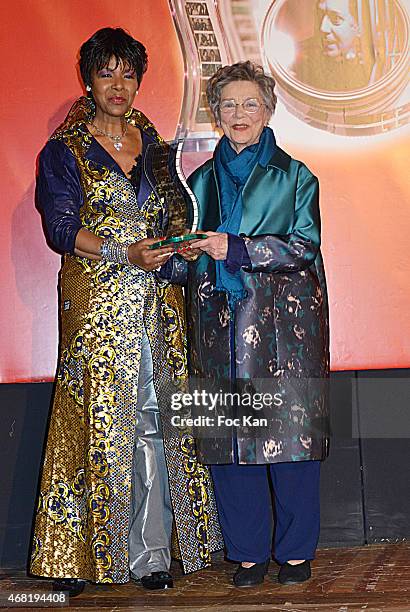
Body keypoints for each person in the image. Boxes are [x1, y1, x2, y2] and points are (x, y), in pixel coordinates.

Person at [30, 27, 222, 596]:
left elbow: (172, 218)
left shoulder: (158, 148)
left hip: (157, 301)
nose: (119, 84)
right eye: (106, 72)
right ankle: (78, 559)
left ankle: (152, 553)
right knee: (91, 421)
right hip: (96, 304)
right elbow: (61, 230)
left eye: (128, 73)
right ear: (87, 79)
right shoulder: (64, 150)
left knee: (156, 420)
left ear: (140, 80)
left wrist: (178, 249)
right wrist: (123, 253)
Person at [170, 60, 330, 587]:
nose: (239, 114)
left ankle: (295, 551)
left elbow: (305, 248)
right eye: (229, 105)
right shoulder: (197, 182)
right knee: (228, 444)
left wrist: (235, 246)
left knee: (290, 443)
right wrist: (170, 256)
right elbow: (187, 256)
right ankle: (245, 553)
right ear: (215, 114)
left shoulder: (296, 176)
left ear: (268, 110)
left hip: (285, 329)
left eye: (250, 104)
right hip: (218, 326)